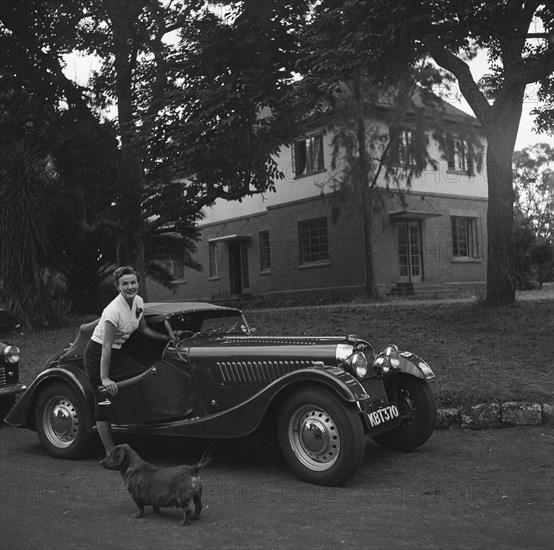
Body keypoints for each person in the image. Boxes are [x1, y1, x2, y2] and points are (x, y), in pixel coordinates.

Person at [84, 265, 170, 454]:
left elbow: (144, 329)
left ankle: (137, 429)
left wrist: (167, 338)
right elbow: (105, 346)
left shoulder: (139, 301)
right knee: (103, 403)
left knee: (145, 377)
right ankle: (110, 452)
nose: (130, 287)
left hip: (116, 354)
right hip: (97, 356)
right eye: (125, 284)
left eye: (133, 282)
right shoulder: (113, 311)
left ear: (138, 283)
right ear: (118, 286)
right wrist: (105, 378)